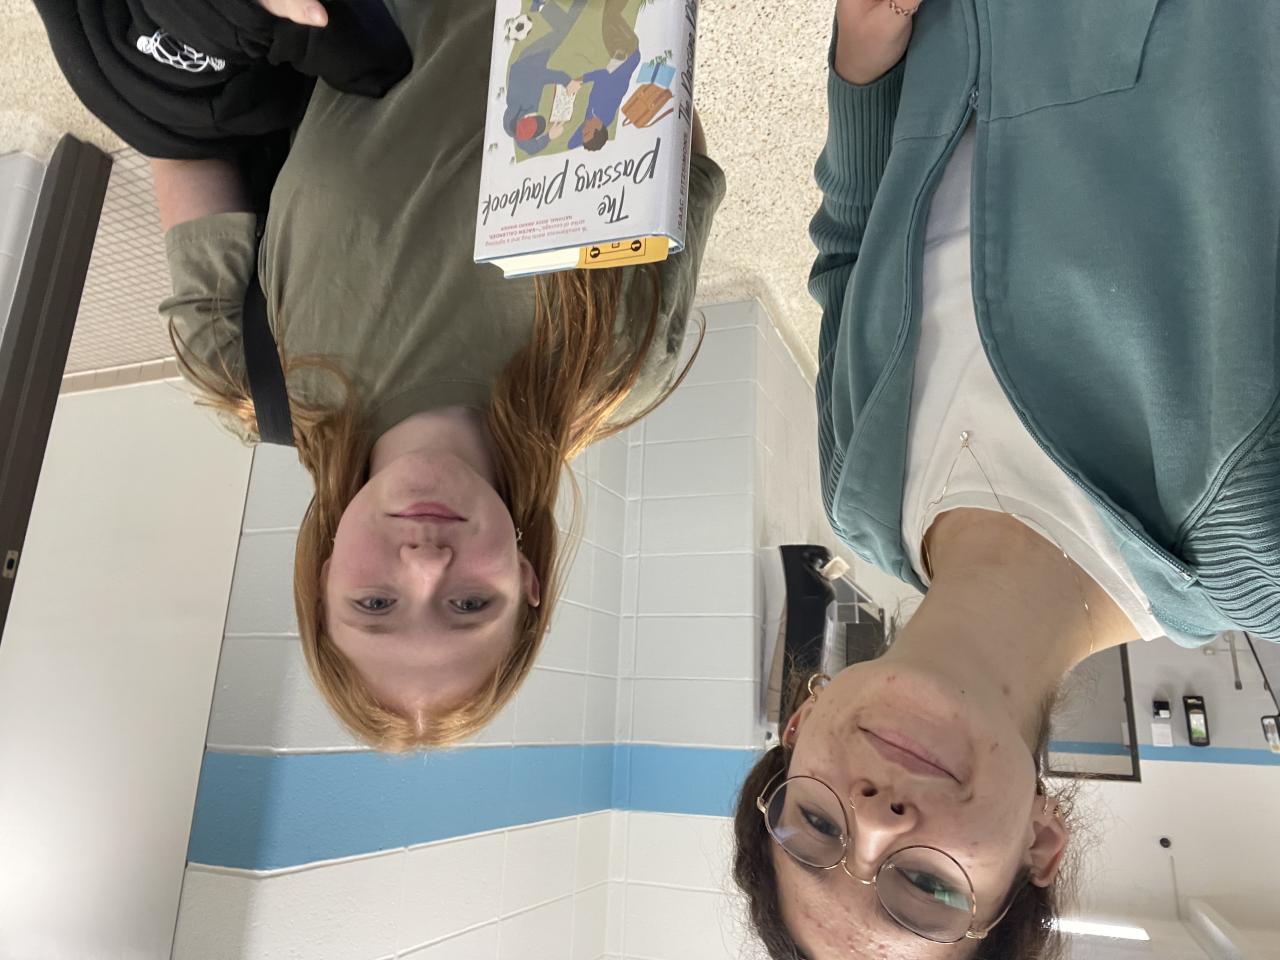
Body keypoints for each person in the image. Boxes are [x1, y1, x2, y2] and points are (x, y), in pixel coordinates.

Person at [734, 0, 1279, 957]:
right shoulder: (1248, 542)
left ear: (801, 720)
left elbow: (849, 249)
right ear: (1039, 844)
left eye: (815, 827)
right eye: (924, 888)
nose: (878, 821)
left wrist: (862, 66)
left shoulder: (858, 491)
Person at [115, 0, 722, 751]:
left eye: (375, 604)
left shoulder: (241, 364)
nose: (426, 564)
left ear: (323, 580)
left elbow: (178, 133)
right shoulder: (618, 369)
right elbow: (677, 140)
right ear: (527, 581)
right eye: (470, 605)